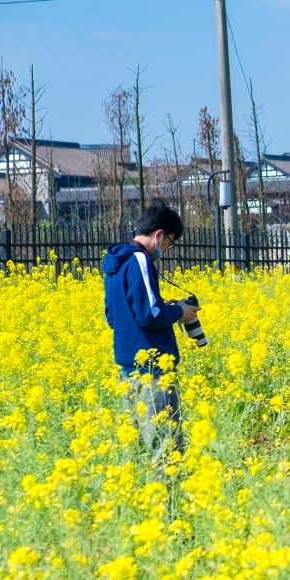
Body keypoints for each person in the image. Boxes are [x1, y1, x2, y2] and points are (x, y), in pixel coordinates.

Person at [103, 200, 200, 473]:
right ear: (159, 235)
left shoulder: (114, 263)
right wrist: (179, 312)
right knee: (165, 447)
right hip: (154, 371)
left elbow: (114, 316)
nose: (166, 249)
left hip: (127, 371)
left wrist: (164, 308)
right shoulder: (139, 260)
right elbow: (149, 316)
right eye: (169, 242)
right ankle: (167, 500)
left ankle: (133, 498)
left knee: (133, 451)